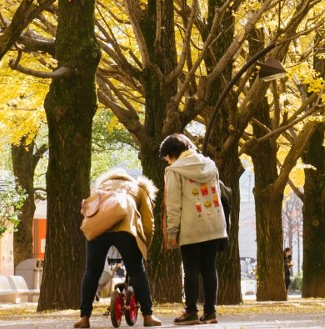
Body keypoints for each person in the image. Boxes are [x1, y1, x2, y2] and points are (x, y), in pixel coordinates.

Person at [74, 168, 159, 329]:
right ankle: (148, 315)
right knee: (136, 270)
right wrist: (144, 247)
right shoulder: (139, 188)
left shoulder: (101, 189)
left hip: (99, 229)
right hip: (125, 230)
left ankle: (84, 317)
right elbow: (148, 225)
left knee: (91, 271)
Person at [160, 133, 228, 327]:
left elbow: (173, 204)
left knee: (190, 268)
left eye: (167, 157)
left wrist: (172, 232)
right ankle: (210, 312)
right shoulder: (210, 165)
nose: (168, 161)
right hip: (215, 224)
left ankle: (190, 311)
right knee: (209, 268)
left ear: (172, 154)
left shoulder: (175, 170)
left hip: (192, 226)